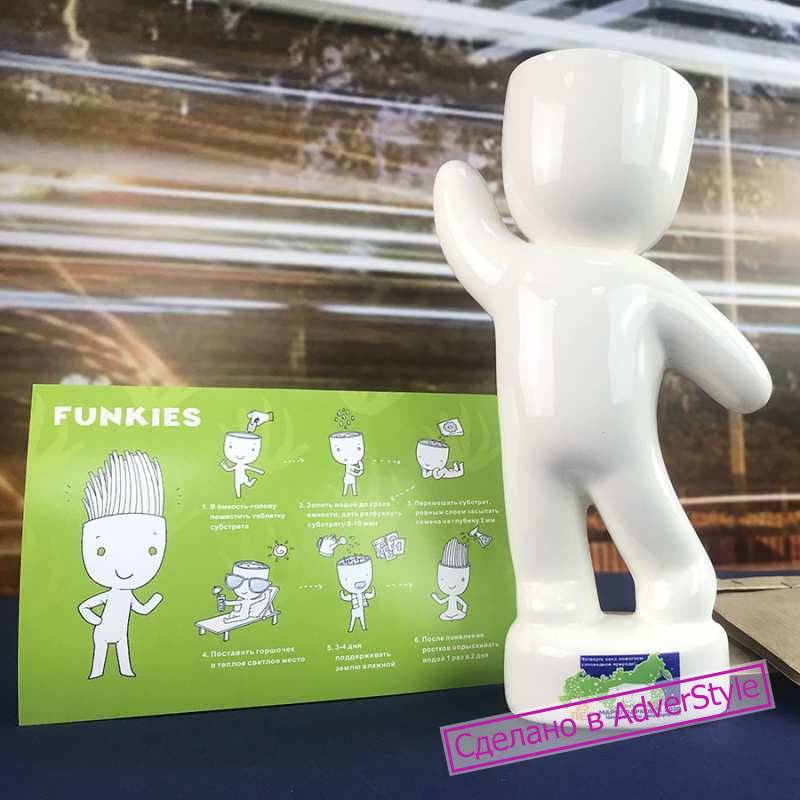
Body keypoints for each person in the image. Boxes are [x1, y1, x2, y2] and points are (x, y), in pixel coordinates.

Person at [78, 450, 166, 679]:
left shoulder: (127, 595)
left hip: (120, 631)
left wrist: (155, 600)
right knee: (100, 656)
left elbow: (142, 610)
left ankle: (125, 672)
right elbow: (84, 607)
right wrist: (97, 621)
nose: (124, 569)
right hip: (102, 631)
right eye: (102, 551)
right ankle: (96, 674)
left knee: (123, 652)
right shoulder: (112, 594)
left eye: (150, 550)